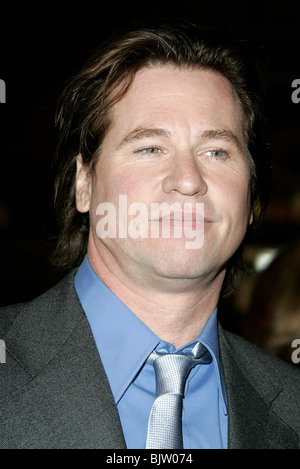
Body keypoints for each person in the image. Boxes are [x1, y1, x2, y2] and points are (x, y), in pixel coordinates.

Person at [0, 21, 299, 450]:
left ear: (250, 194)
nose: (188, 179)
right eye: (150, 148)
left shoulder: (291, 407)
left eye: (216, 151)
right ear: (84, 183)